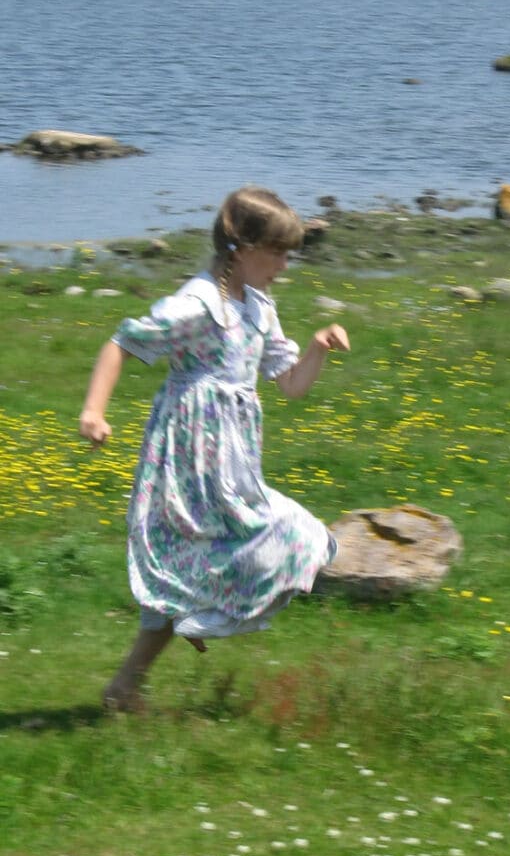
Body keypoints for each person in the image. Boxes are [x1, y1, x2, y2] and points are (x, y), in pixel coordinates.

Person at [79, 186, 350, 711]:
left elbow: (290, 384)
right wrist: (94, 410)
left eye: (290, 253)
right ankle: (152, 661)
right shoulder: (198, 304)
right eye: (277, 252)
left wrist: (317, 347)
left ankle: (125, 687)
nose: (285, 265)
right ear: (240, 248)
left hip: (231, 461)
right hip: (185, 457)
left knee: (285, 537)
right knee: (197, 556)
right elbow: (123, 341)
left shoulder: (259, 307)